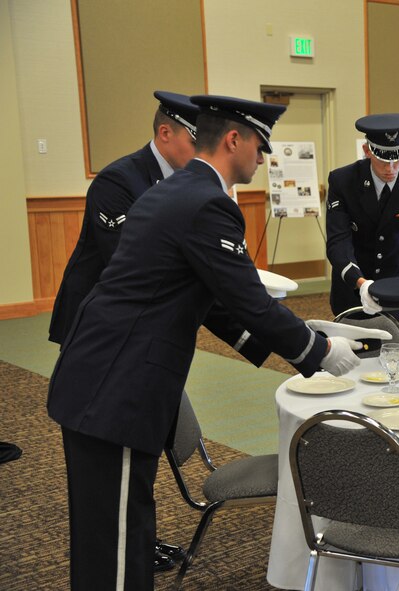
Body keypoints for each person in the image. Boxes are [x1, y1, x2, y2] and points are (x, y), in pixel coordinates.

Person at [46, 94, 361, 591]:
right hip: (115, 391)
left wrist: (298, 342)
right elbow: (249, 301)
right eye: (260, 145)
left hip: (103, 379)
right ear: (234, 139)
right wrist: (319, 353)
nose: (264, 158)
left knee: (113, 535)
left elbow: (213, 301)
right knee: (117, 548)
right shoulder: (206, 202)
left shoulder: (177, 189)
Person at [47, 90, 200, 572]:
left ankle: (137, 538)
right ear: (165, 134)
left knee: (136, 447)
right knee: (108, 446)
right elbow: (132, 264)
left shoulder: (185, 183)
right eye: (197, 139)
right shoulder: (119, 181)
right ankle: (122, 543)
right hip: (99, 335)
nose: (204, 150)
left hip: (142, 337)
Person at [326, 113, 399, 337]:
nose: (391, 168)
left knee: (397, 352)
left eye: (397, 160)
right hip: (354, 282)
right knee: (353, 354)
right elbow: (338, 241)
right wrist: (360, 283)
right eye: (383, 160)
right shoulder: (343, 181)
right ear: (367, 150)